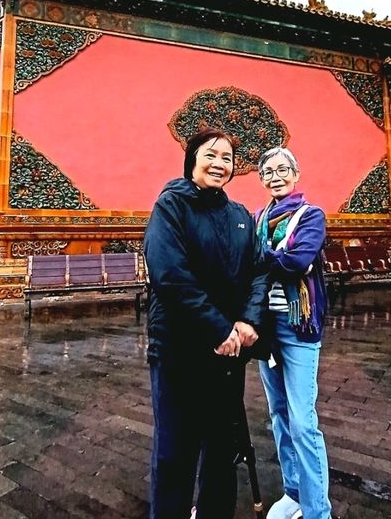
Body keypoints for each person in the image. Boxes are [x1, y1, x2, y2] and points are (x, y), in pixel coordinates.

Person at [144, 127, 269, 519]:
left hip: (228, 354)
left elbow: (259, 270)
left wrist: (249, 320)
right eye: (211, 155)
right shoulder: (171, 206)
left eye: (228, 158)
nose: (220, 164)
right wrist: (218, 329)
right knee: (175, 451)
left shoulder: (239, 216)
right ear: (192, 160)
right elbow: (170, 274)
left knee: (221, 449)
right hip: (180, 349)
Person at [254, 146, 332, 519]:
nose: (275, 176)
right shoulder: (257, 218)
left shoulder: (311, 216)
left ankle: (318, 510)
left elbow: (298, 261)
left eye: (282, 169)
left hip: (298, 327)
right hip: (265, 329)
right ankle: (294, 492)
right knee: (279, 415)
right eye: (267, 172)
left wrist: (262, 258)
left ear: (296, 174)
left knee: (303, 421)